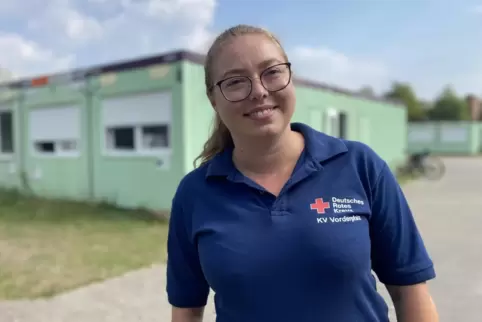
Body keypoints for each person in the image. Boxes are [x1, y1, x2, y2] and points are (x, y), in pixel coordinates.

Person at [166, 24, 439, 322]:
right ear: (213, 99)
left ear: (290, 78)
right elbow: (187, 309)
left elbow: (409, 290)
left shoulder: (360, 166)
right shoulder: (195, 193)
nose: (258, 91)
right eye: (235, 82)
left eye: (271, 72)